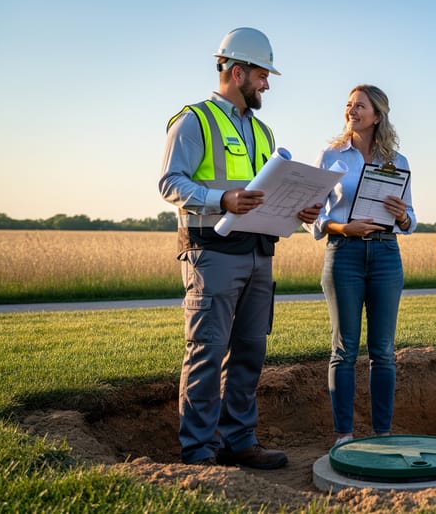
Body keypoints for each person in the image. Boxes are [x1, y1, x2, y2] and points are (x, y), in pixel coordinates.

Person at [158, 27, 320, 468]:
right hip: (211, 253)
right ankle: (199, 451)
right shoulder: (194, 119)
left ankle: (238, 440)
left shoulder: (265, 133)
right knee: (207, 351)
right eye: (263, 75)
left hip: (258, 253)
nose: (267, 84)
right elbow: (169, 183)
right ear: (236, 71)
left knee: (249, 350)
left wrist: (297, 211)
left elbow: (266, 192)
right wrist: (221, 199)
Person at [308, 84, 415, 446]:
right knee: (344, 349)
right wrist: (343, 227)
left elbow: (410, 219)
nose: (351, 110)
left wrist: (402, 216)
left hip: (386, 255)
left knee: (383, 350)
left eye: (360, 106)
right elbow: (315, 218)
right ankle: (344, 435)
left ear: (377, 115)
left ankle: (382, 433)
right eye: (349, 105)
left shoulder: (397, 161)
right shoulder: (331, 155)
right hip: (344, 253)